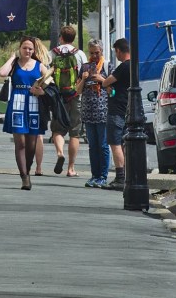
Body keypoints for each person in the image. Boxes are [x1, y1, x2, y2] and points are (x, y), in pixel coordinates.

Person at [0, 37, 46, 190]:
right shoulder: (14, 64)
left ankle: (28, 169)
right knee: (20, 143)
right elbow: (2, 73)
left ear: (34, 51)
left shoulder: (39, 65)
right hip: (17, 103)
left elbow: (51, 85)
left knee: (31, 144)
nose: (28, 51)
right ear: (20, 48)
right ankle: (24, 176)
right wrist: (12, 58)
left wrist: (41, 91)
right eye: (25, 48)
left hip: (33, 105)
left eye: (30, 49)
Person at [49, 24, 87, 177]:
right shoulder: (80, 54)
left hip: (58, 97)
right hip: (75, 96)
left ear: (61, 37)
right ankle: (71, 168)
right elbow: (85, 73)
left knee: (57, 130)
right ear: (73, 38)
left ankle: (59, 153)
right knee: (75, 133)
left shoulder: (52, 53)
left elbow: (46, 73)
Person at [77, 38, 109, 188]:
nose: (95, 56)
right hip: (88, 111)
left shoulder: (107, 66)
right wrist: (83, 80)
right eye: (92, 53)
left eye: (97, 53)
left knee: (102, 145)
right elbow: (77, 90)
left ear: (102, 51)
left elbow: (113, 90)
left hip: (102, 111)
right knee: (92, 146)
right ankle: (94, 175)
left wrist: (102, 79)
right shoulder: (85, 67)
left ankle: (103, 175)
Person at [101, 37, 131, 190]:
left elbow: (106, 82)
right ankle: (127, 175)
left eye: (116, 52)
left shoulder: (123, 67)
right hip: (128, 109)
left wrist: (102, 79)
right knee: (125, 144)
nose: (116, 55)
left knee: (115, 143)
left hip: (117, 110)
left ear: (119, 51)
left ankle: (120, 177)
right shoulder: (135, 66)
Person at [32, 37, 51, 175]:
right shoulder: (46, 60)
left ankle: (27, 163)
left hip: (31, 98)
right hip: (42, 100)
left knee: (28, 135)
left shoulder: (30, 63)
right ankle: (38, 167)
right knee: (39, 136)